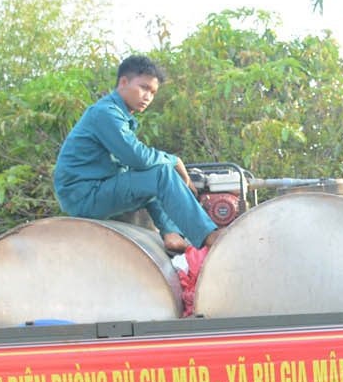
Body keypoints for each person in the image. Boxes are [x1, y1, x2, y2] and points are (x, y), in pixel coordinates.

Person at [53, 55, 221, 254]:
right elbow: (136, 157)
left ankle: (171, 233)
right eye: (144, 88)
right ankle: (209, 235)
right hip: (84, 195)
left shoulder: (120, 116)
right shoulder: (105, 113)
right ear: (123, 82)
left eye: (153, 92)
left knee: (151, 174)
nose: (148, 97)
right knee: (159, 173)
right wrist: (175, 160)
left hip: (96, 189)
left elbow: (138, 165)